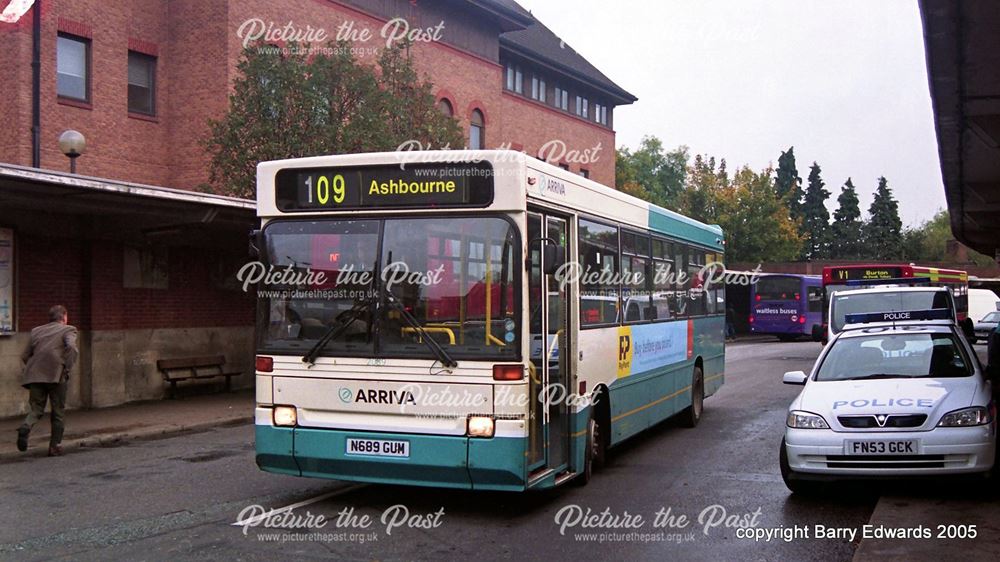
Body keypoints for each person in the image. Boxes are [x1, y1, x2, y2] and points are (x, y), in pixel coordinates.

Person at [16, 305, 78, 456]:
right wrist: (66, 367)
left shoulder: (36, 331)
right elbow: (72, 348)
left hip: (35, 375)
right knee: (58, 411)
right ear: (64, 317)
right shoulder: (68, 329)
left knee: (36, 409)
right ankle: (54, 446)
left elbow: (25, 355)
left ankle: (26, 426)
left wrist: (34, 368)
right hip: (56, 375)